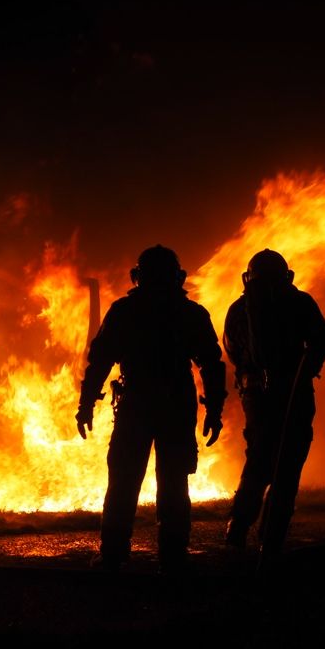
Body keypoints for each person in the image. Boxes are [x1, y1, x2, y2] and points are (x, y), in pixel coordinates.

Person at [77, 245, 227, 572]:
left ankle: (114, 554)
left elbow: (100, 361)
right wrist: (214, 409)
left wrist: (86, 403)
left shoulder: (124, 311)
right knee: (173, 482)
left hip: (137, 403)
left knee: (125, 481)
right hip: (174, 403)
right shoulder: (191, 313)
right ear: (180, 277)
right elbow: (212, 366)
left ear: (136, 277)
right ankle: (172, 556)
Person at [222, 249, 325, 564]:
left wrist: (252, 379)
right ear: (287, 275)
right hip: (295, 395)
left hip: (256, 397)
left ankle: (238, 526)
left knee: (259, 460)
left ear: (248, 277)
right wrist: (303, 370)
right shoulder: (300, 303)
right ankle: (270, 542)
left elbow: (232, 351)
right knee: (288, 466)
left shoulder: (239, 309)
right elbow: (321, 341)